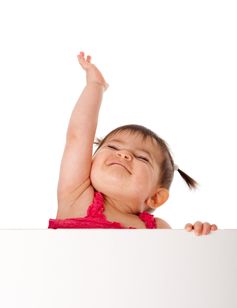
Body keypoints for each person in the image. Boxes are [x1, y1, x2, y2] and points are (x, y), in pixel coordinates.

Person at [48, 51, 218, 235]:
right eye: (113, 147)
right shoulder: (76, 194)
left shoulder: (157, 228)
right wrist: (95, 86)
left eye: (142, 157)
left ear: (155, 197)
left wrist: (200, 236)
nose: (124, 154)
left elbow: (175, 261)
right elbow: (78, 136)